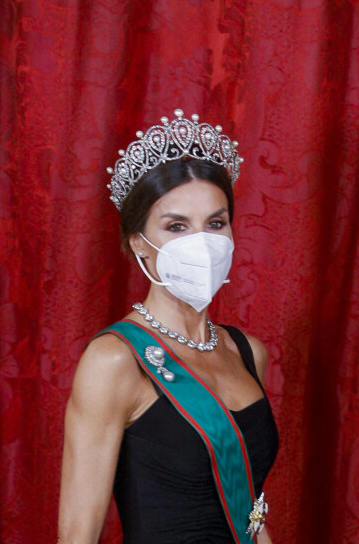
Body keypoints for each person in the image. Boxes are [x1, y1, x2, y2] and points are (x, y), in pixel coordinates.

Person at [58, 110, 278, 544]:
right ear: (140, 242)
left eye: (215, 223)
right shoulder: (115, 360)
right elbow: (77, 535)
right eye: (177, 226)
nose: (202, 241)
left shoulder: (247, 352)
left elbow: (249, 511)